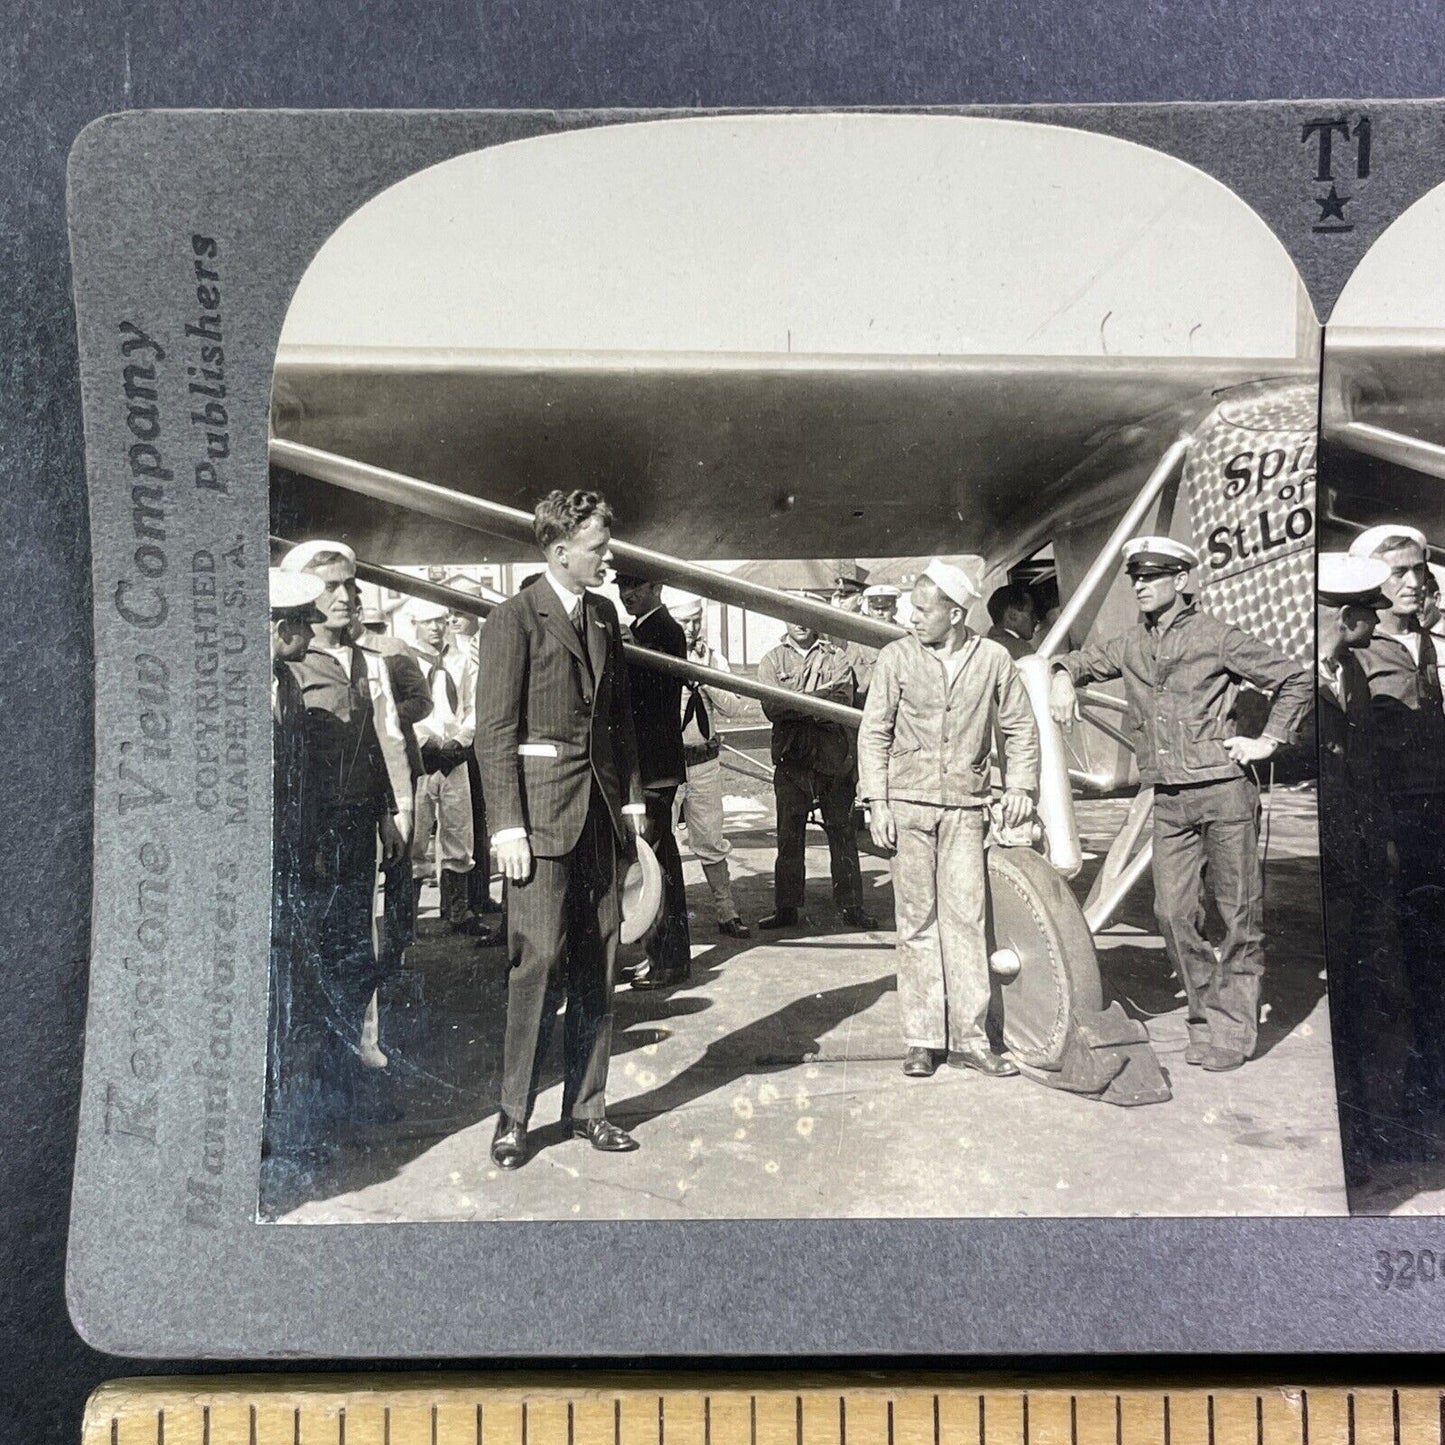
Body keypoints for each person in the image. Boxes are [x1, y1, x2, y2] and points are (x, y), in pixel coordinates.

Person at [1048, 535, 1311, 1072]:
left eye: (1153, 576)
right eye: (1136, 578)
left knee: (1237, 915)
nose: (1141, 586)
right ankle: (1205, 1017)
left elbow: (1294, 678)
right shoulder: (1131, 646)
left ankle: (1233, 1031)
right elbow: (1077, 661)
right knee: (1171, 914)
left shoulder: (1216, 638)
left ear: (1181, 581)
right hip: (1167, 798)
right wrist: (1061, 678)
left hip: (1224, 790)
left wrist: (1268, 740)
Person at [475, 489, 648, 1169]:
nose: (607, 557)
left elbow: (619, 721)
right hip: (539, 823)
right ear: (559, 550)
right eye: (598, 546)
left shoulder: (604, 614)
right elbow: (494, 732)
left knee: (598, 963)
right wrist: (505, 828)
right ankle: (513, 1116)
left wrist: (632, 803)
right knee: (537, 964)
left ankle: (588, 1108)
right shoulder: (512, 619)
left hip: (600, 818)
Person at [859, 560, 1039, 1078]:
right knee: (916, 924)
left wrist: (1021, 786)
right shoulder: (896, 658)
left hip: (965, 809)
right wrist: (877, 802)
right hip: (909, 809)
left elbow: (1020, 728)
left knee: (965, 922)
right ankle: (921, 1039)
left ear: (956, 613)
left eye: (922, 609)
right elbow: (874, 732)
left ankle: (970, 1039)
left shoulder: (993, 660)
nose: (911, 617)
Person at [278, 541, 413, 1090]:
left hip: (358, 827)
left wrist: (386, 812)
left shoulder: (361, 659)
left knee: (357, 945)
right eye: (330, 586)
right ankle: (313, 1072)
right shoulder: (292, 659)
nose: (343, 597)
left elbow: (373, 744)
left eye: (348, 585)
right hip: (313, 833)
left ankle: (352, 1056)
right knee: (313, 951)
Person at [1316, 553, 1409, 1175]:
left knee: (1367, 993)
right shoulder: (1300, 672)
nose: (1378, 627)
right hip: (1327, 856)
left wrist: (1384, 842)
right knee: (1346, 1003)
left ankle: (1373, 1132)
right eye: (1370, 617)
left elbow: (1368, 766)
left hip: (1364, 852)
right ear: (1347, 617)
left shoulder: (1350, 668)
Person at [1349, 526, 1445, 1118]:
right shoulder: (1357, 647)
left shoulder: (1427, 643)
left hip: (1436, 817)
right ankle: (1397, 1092)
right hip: (1392, 822)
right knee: (1394, 956)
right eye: (1398, 572)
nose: (1412, 582)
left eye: (1419, 571)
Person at [756, 618, 878, 931]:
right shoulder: (772, 660)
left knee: (843, 835)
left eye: (805, 617)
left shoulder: (837, 657)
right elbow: (771, 706)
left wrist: (794, 701)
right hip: (792, 759)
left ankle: (852, 907)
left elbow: (842, 700)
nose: (799, 624)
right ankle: (786, 908)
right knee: (788, 835)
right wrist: (818, 706)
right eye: (791, 616)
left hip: (833, 760)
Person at [267, 569, 325, 1150]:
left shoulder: (285, 681)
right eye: (305, 627)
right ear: (284, 627)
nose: (311, 640)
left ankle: (277, 1110)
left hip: (288, 857)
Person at [615, 572, 694, 989]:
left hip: (652, 768)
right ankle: (658, 954)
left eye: (636, 587)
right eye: (623, 588)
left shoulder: (662, 632)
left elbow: (645, 701)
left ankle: (669, 959)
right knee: (654, 864)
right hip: (652, 767)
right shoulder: (646, 632)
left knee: (657, 866)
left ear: (657, 589)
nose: (628, 595)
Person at [671, 595, 748, 938]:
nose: (691, 628)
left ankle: (726, 910)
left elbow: (733, 706)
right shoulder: (655, 655)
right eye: (684, 621)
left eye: (696, 620)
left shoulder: (714, 658)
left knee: (711, 838)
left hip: (703, 761)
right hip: (668, 762)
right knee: (659, 841)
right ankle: (662, 918)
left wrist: (704, 675)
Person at [410, 598, 487, 935]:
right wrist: (426, 742)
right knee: (415, 833)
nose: (435, 627)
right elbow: (400, 708)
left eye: (440, 620)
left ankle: (458, 909)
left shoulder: (462, 659)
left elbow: (474, 704)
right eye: (428, 621)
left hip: (454, 756)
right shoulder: (404, 660)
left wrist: (461, 740)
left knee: (458, 830)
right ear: (414, 623)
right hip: (421, 758)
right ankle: (406, 919)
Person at [447, 578, 503, 916]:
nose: (453, 620)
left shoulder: (484, 643)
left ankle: (479, 893)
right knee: (462, 823)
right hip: (456, 744)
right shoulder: (447, 651)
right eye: (450, 613)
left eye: (460, 612)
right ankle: (464, 898)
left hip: (479, 738)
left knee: (480, 821)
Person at [985, 583, 1038, 661]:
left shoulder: (988, 644)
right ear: (1013, 615)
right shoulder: (1021, 650)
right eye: (1031, 613)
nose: (1036, 619)